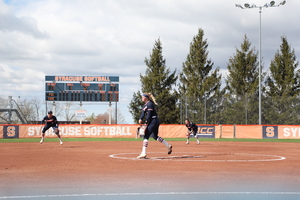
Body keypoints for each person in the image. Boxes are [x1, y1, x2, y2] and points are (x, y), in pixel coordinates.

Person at [137, 93, 172, 159]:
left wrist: (146, 123)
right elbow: (143, 113)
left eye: (143, 97)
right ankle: (168, 145)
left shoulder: (150, 104)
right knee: (155, 136)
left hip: (153, 121)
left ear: (146, 98)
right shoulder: (145, 105)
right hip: (154, 121)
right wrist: (140, 118)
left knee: (146, 136)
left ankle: (143, 153)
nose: (142, 98)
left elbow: (149, 114)